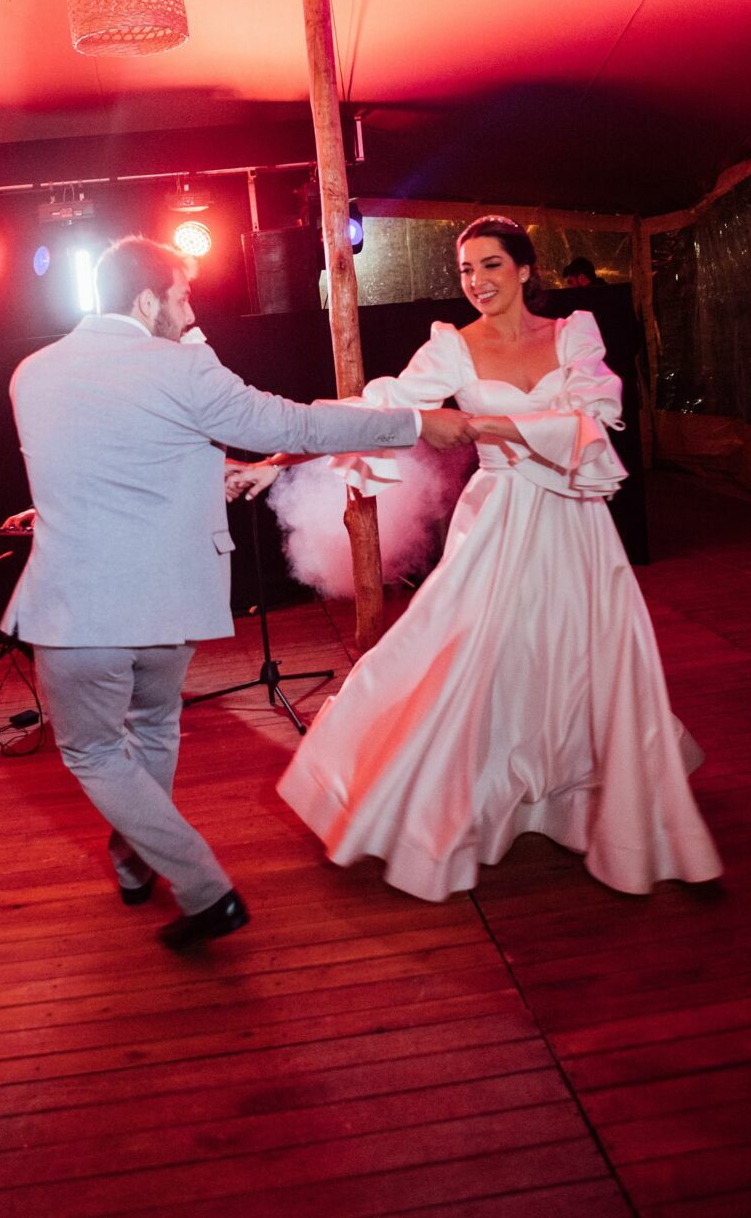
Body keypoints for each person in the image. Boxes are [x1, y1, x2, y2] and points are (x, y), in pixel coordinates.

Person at [1, 235, 478, 949]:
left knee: (95, 752)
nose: (191, 311)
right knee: (149, 731)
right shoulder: (182, 368)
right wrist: (412, 422)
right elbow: (293, 425)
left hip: (77, 609)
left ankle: (177, 875)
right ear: (147, 298)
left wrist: (204, 469)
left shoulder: (30, 374)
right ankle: (161, 872)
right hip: (167, 604)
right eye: (183, 296)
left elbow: (106, 466)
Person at [236, 216, 722, 900]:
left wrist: (485, 424)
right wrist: (281, 457)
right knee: (471, 653)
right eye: (466, 271)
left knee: (581, 653)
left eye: (490, 266)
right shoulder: (451, 349)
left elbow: (591, 417)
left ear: (524, 270)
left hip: (573, 521)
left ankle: (577, 800)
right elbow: (376, 409)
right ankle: (451, 799)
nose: (477, 282)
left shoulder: (572, 332)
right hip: (497, 521)